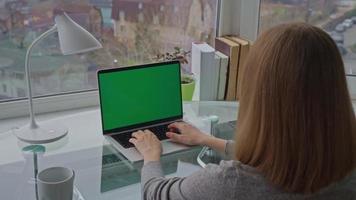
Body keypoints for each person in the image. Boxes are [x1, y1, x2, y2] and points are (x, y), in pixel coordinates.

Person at [129, 23, 356, 200]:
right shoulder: (346, 167)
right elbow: (281, 155)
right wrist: (207, 140)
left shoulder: (231, 183)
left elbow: (156, 194)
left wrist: (150, 156)